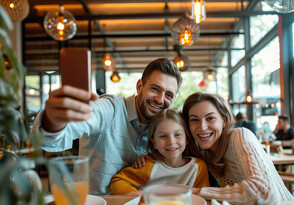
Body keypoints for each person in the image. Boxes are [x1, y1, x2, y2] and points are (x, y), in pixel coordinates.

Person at [31, 58, 182, 195]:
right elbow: (49, 139)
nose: (160, 99)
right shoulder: (110, 109)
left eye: (168, 95)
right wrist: (54, 119)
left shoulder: (165, 128)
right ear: (139, 86)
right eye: (155, 89)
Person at [182, 92, 294, 205]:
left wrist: (197, 192)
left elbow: (265, 193)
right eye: (194, 120)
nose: (202, 127)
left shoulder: (239, 136)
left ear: (224, 121)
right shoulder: (204, 152)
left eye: (210, 118)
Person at [110, 108, 209, 195]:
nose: (171, 141)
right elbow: (117, 181)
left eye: (177, 135)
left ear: (187, 139)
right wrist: (138, 195)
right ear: (154, 143)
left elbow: (204, 195)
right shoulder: (148, 165)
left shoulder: (198, 167)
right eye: (163, 136)